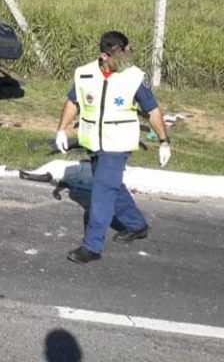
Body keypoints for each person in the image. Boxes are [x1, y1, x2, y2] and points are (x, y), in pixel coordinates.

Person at [54, 31, 171, 264]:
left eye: (126, 51)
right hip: (94, 142)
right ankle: (137, 225)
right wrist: (61, 129)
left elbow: (152, 110)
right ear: (104, 55)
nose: (125, 57)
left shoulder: (133, 77)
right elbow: (73, 101)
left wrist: (163, 141)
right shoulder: (85, 74)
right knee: (112, 187)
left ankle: (92, 246)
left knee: (102, 190)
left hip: (118, 144)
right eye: (119, 54)